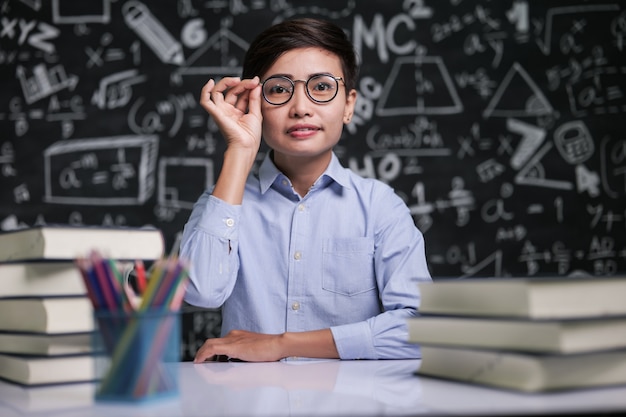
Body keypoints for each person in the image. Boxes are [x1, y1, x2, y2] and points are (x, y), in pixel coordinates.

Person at [180, 17, 432, 362]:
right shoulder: (222, 204)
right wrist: (239, 149)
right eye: (280, 89)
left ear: (349, 105)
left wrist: (282, 344)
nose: (300, 108)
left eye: (322, 87)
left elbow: (422, 329)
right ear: (255, 103)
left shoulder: (379, 207)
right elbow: (200, 291)